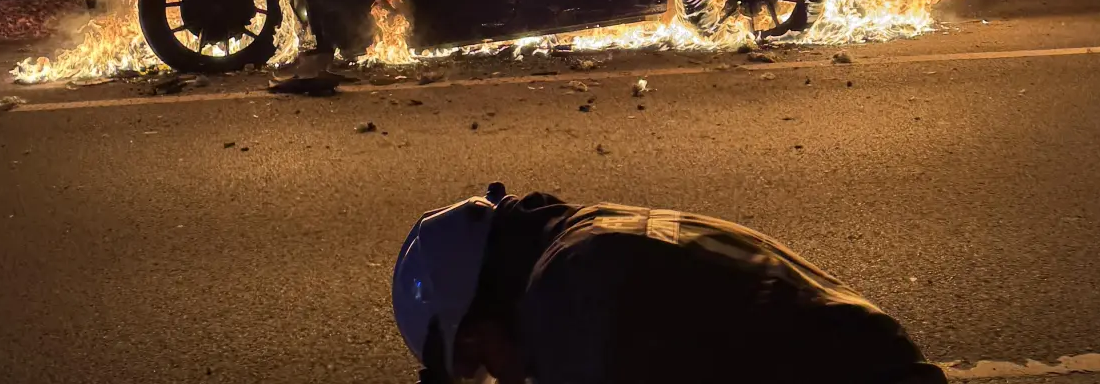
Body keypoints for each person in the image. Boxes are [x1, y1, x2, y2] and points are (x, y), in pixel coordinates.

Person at [393, 184, 947, 384]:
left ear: (480, 323)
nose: (500, 378)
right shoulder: (577, 241)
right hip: (874, 354)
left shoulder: (566, 307)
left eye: (479, 365)